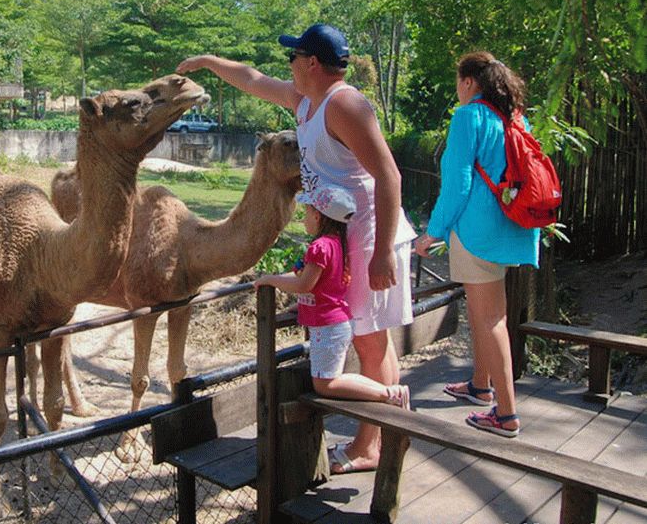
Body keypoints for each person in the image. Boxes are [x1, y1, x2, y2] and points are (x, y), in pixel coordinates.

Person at [177, 23, 416, 473]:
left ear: (311, 63)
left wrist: (383, 250)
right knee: (370, 342)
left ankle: (372, 445)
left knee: (369, 342)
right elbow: (251, 79)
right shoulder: (307, 100)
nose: (286, 64)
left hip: (367, 235)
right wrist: (208, 62)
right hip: (348, 236)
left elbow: (389, 176)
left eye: (293, 57)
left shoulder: (344, 103)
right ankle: (377, 436)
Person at [414, 51, 539, 438]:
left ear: (469, 82)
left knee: (490, 320)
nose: (457, 90)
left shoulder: (469, 117)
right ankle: (480, 385)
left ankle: (505, 414)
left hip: (476, 232)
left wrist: (432, 232)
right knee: (488, 311)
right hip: (512, 228)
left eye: (458, 82)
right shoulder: (516, 118)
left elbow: (458, 183)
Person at [254, 184, 410, 472]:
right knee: (328, 379)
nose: (304, 217)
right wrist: (301, 303)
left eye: (308, 212)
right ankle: (390, 393)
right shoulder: (337, 244)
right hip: (335, 321)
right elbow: (321, 287)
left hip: (328, 327)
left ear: (321, 215)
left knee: (326, 383)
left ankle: (391, 395)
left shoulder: (319, 247)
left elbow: (303, 283)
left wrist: (270, 280)